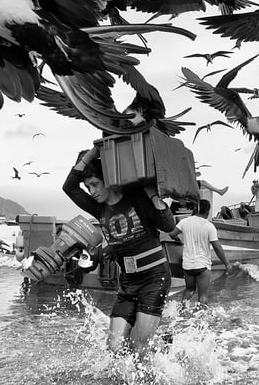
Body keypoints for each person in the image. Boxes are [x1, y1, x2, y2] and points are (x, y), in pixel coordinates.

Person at [63, 144, 176, 356]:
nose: (92, 191)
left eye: (95, 184)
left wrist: (153, 196)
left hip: (154, 278)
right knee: (114, 348)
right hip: (127, 283)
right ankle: (161, 341)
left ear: (110, 181)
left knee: (137, 346)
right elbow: (69, 187)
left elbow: (169, 226)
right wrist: (91, 155)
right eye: (88, 187)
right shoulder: (98, 208)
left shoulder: (137, 198)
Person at [169, 199, 230, 305]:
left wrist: (177, 239)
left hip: (187, 265)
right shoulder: (209, 226)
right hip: (202, 265)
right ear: (208, 211)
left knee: (189, 290)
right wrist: (227, 263)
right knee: (203, 295)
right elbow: (217, 246)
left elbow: (172, 234)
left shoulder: (184, 222)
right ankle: (200, 319)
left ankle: (181, 312)